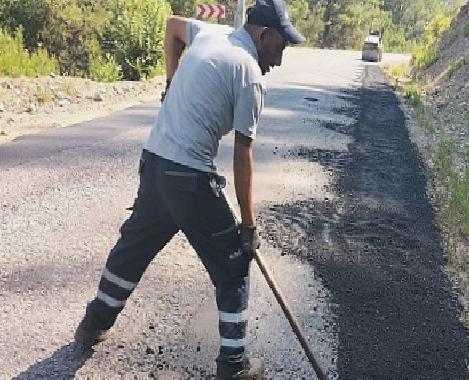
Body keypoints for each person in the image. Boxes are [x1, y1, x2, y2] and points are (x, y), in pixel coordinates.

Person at [73, 1, 304, 378]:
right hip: (188, 179)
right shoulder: (249, 75)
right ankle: (233, 365)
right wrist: (248, 226)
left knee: (133, 248)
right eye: (281, 47)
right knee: (233, 266)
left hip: (155, 163)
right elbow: (242, 156)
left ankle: (93, 324)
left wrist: (170, 80)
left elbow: (172, 26)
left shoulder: (212, 34)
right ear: (264, 35)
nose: (279, 60)